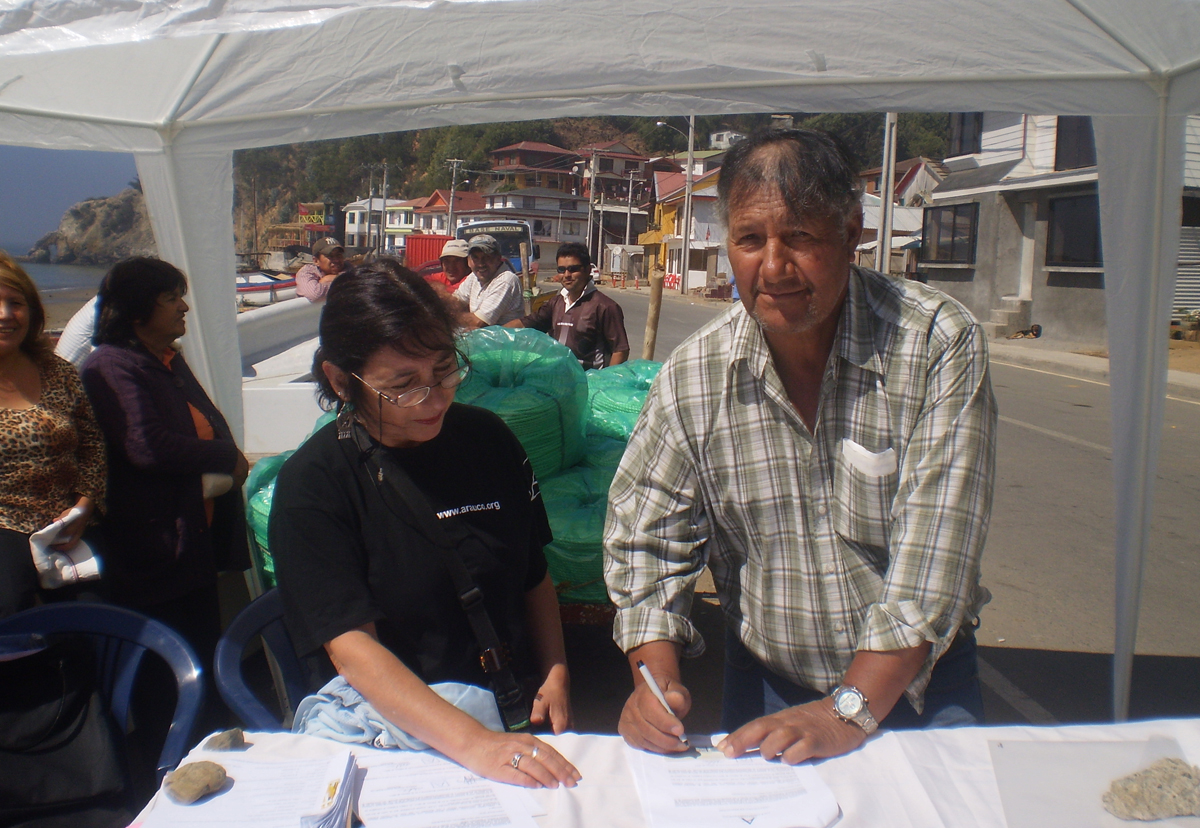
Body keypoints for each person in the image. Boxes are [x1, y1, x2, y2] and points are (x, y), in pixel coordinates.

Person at [604, 128, 997, 765]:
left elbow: (937, 556)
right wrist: (655, 680)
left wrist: (850, 708)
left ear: (853, 232)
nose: (774, 266)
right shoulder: (696, 373)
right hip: (767, 683)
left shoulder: (935, 343)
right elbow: (645, 536)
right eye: (750, 239)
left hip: (921, 684)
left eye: (802, 238)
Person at [270, 263, 580, 789]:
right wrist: (476, 745)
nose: (435, 399)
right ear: (342, 380)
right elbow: (352, 649)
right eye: (403, 386)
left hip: (513, 716)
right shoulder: (314, 486)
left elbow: (532, 572)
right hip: (401, 741)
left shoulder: (490, 440)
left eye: (444, 371)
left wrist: (555, 669)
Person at [80, 257, 249, 666]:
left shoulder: (164, 359)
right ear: (138, 311)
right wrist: (227, 455)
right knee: (169, 670)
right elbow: (146, 445)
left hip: (193, 542)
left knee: (205, 654)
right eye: (170, 298)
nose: (183, 307)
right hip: (156, 554)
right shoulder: (112, 366)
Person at [0, 251, 106, 617]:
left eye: (14, 303)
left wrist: (84, 506)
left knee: (93, 629)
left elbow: (91, 443)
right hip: (5, 529)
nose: (4, 315)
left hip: (69, 528)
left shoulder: (56, 371)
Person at [505, 242, 630, 370]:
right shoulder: (556, 303)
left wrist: (604, 381)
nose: (567, 275)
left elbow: (620, 350)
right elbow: (526, 324)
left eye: (573, 269)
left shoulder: (605, 306)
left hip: (589, 384)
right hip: (558, 381)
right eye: (561, 270)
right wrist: (493, 334)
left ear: (587, 270)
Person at [457, 234, 525, 327]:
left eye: (487, 257)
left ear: (498, 258)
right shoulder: (473, 277)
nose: (481, 264)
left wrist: (448, 316)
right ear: (468, 261)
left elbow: (478, 322)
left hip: (502, 341)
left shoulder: (506, 280)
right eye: (475, 258)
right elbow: (456, 301)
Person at [296, 237, 347, 302]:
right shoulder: (306, 272)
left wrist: (329, 280)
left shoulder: (347, 267)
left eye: (338, 255)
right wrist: (342, 281)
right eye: (330, 256)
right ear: (316, 261)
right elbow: (315, 295)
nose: (336, 260)